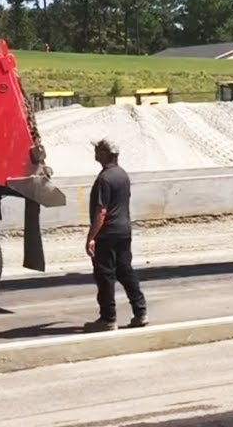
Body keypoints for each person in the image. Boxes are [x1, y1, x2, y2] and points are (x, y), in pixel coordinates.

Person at [82, 138, 148, 331]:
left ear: (104, 154)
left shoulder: (104, 179)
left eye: (97, 149)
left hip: (107, 234)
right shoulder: (122, 175)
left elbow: (101, 211)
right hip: (124, 231)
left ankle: (108, 318)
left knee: (105, 276)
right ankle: (140, 311)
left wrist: (91, 237)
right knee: (125, 271)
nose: (95, 152)